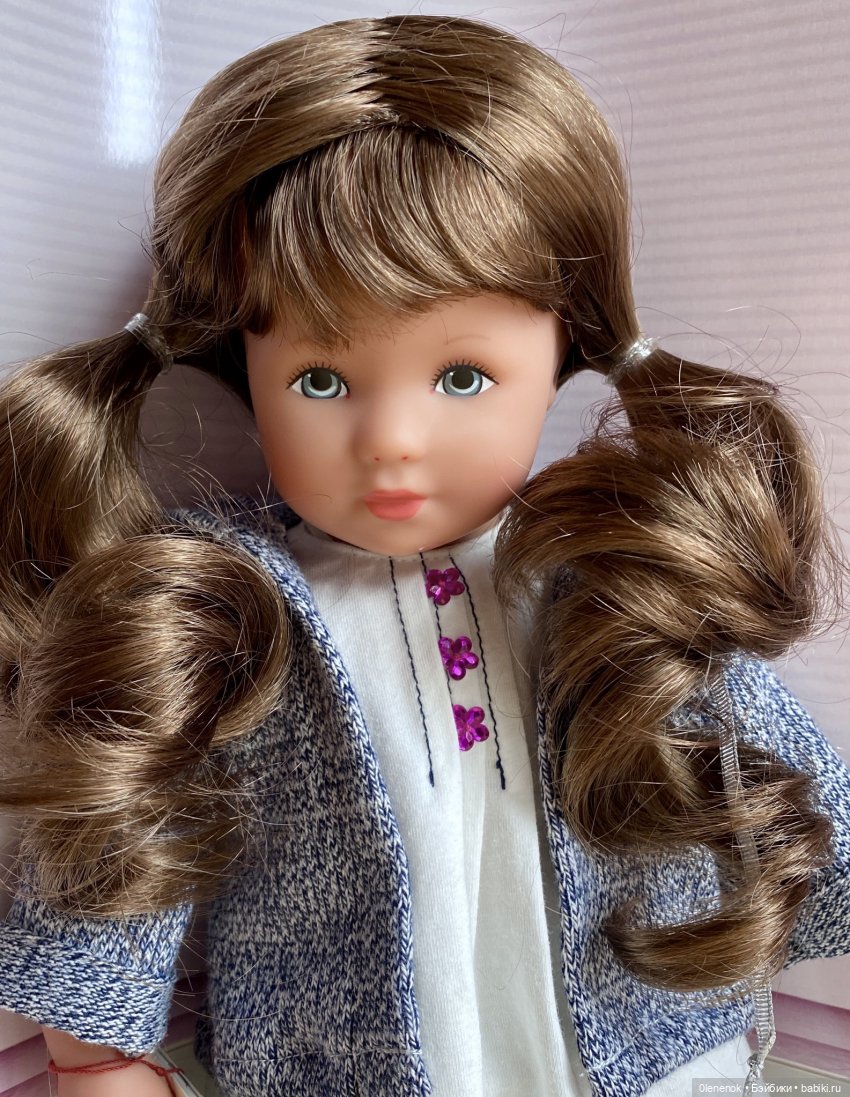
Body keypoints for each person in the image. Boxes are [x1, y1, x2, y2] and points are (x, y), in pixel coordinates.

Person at [0, 14, 848, 1097]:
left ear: (565, 352)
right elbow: (125, 821)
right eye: (319, 381)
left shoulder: (616, 580)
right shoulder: (225, 612)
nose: (392, 440)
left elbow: (775, 764)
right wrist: (96, 1053)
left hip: (654, 1059)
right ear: (239, 369)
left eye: (462, 377)